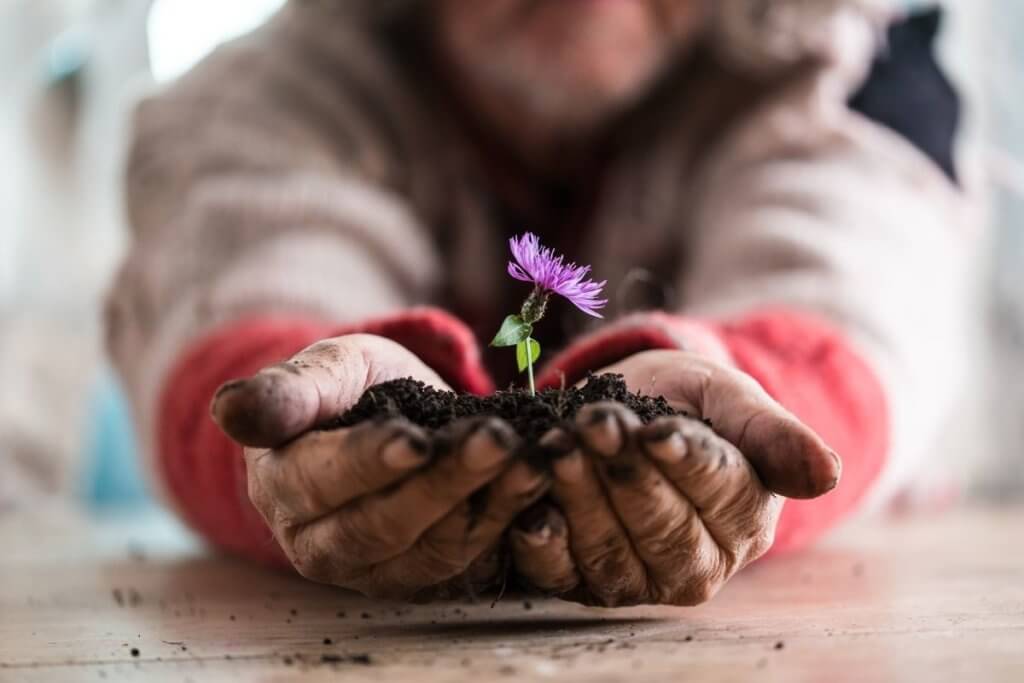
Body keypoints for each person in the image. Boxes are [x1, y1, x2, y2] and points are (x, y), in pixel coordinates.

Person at [106, 0, 971, 605]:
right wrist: (317, 416)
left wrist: (735, 395)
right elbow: (249, 284)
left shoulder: (853, 65)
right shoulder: (266, 95)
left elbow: (848, 290)